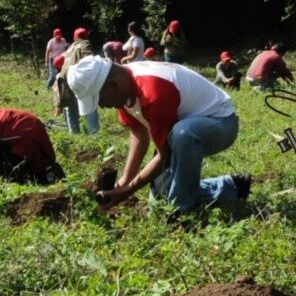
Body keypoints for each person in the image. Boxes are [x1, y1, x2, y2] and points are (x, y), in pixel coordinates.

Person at [67, 56, 251, 215]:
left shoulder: (152, 92)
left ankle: (181, 211)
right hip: (179, 133)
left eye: (99, 99)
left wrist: (128, 191)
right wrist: (125, 181)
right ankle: (231, 186)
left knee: (182, 135)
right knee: (160, 200)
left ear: (113, 84)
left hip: (220, 124)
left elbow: (164, 155)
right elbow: (138, 132)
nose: (101, 106)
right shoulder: (124, 87)